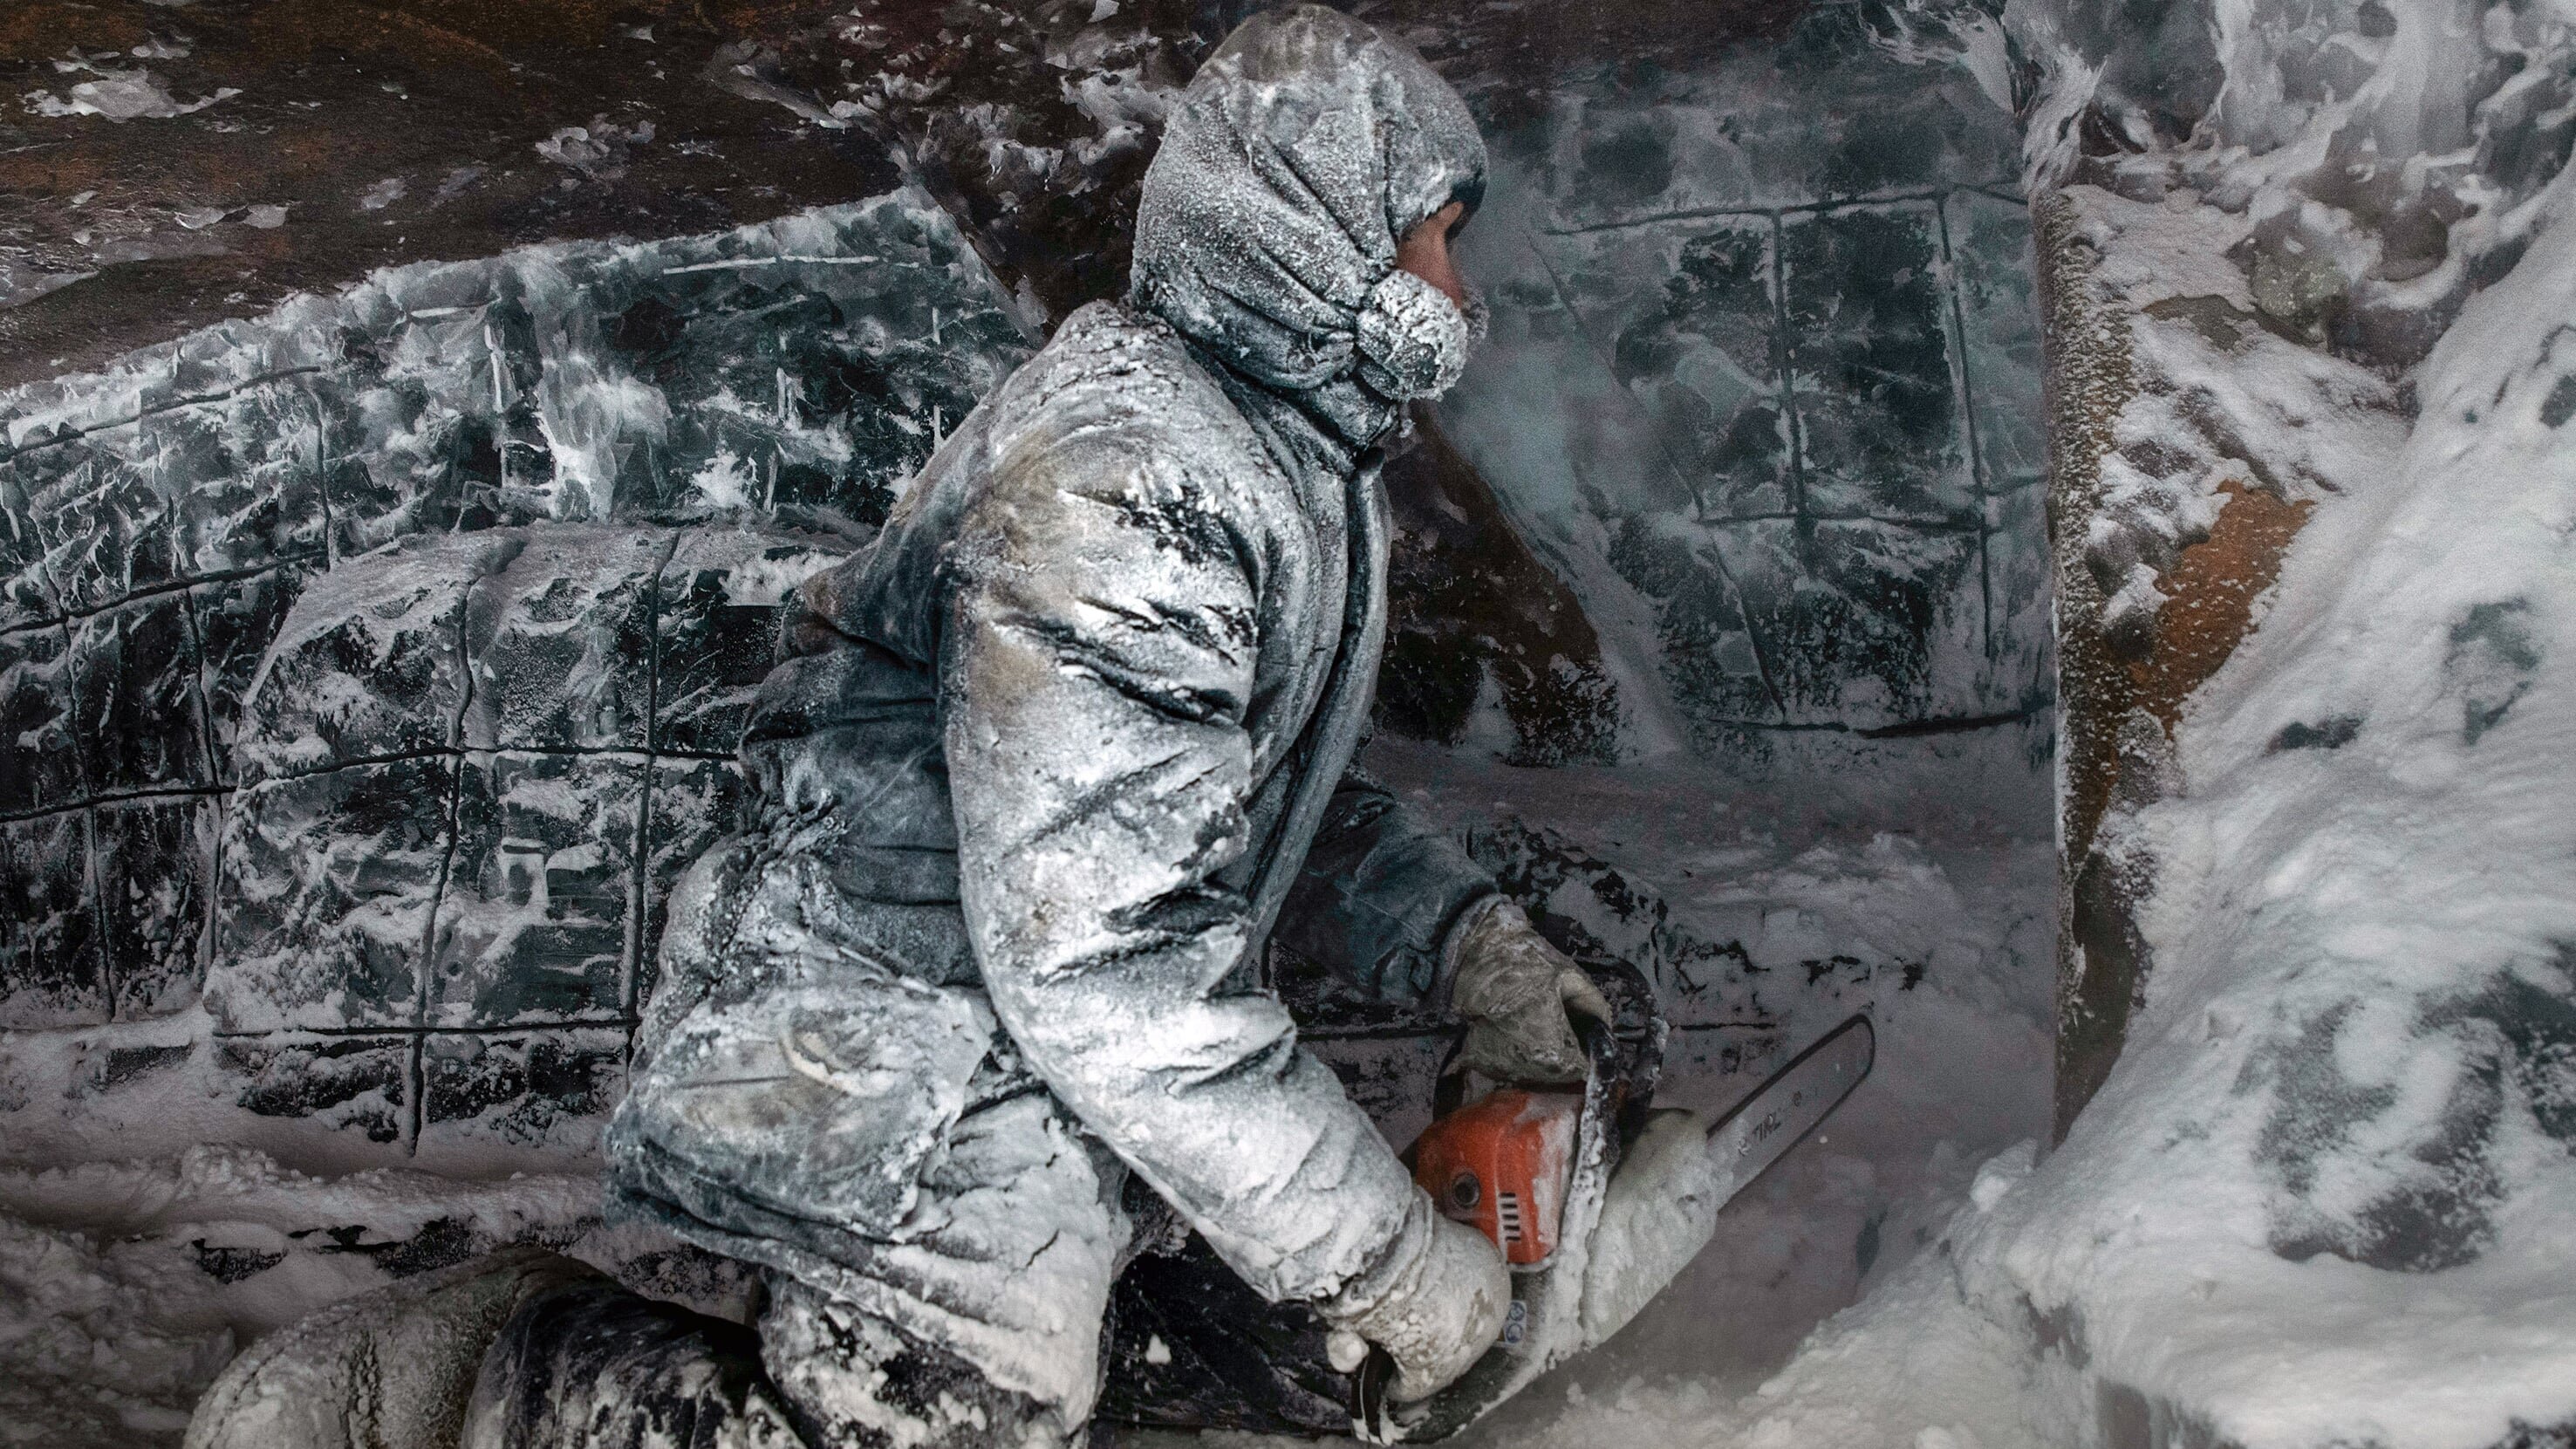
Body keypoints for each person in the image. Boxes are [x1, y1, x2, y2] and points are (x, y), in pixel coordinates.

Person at [185, 10, 1609, 1447]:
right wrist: (1384, 1251)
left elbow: (1225, 782)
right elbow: (1100, 958)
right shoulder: (1131, 481)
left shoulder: (1276, 459)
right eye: (1433, 238)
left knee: (1251, 1356)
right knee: (958, 1412)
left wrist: (1458, 939)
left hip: (1017, 1041)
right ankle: (496, 1365)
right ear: (1307, 233)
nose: (1459, 295)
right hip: (886, 1040)